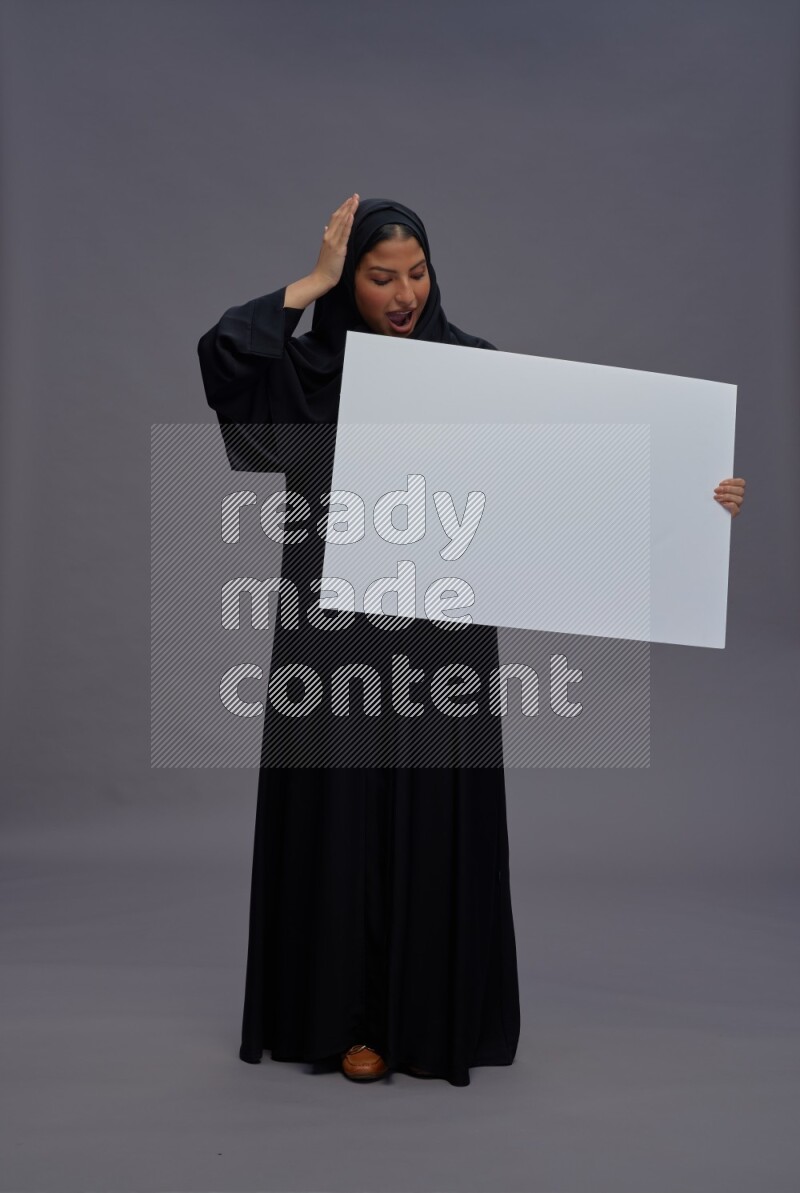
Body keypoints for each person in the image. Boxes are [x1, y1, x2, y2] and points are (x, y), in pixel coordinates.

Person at [197, 194, 747, 1087]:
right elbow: (226, 355)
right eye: (379, 277)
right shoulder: (312, 372)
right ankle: (346, 1018)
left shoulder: (474, 371)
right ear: (350, 282)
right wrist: (310, 282)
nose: (404, 293)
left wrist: (696, 494)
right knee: (339, 810)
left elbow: (572, 483)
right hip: (332, 628)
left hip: (440, 634)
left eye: (416, 273)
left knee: (431, 806)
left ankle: (424, 1016)